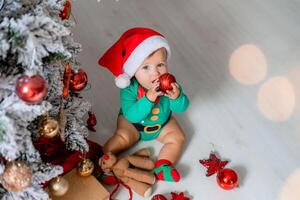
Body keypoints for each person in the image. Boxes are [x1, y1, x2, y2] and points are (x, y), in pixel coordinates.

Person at [98, 27, 189, 182]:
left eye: (160, 64)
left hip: (162, 124)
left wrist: (176, 97)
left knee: (178, 137)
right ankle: (107, 159)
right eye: (146, 67)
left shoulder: (169, 84)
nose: (155, 73)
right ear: (133, 71)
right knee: (122, 137)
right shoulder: (129, 88)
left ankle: (163, 165)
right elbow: (131, 115)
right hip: (132, 125)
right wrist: (149, 98)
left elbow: (182, 107)